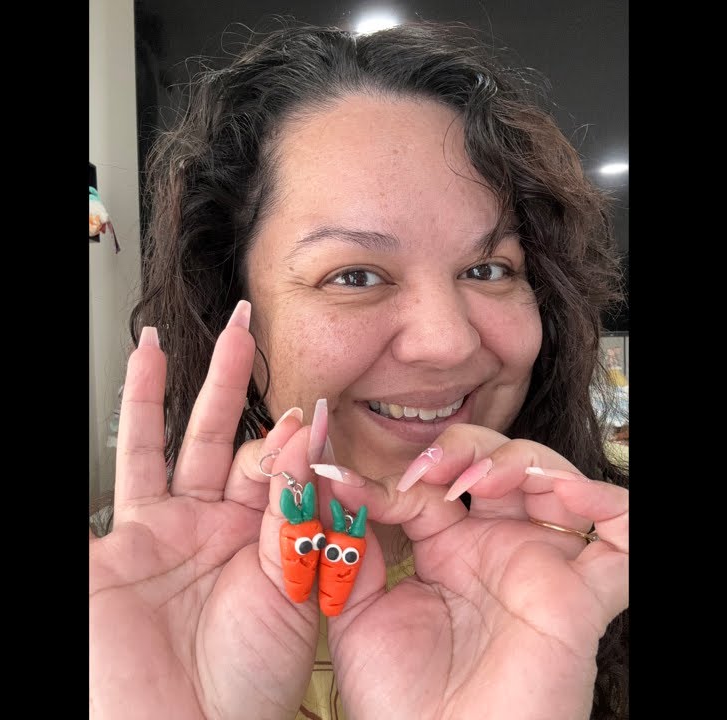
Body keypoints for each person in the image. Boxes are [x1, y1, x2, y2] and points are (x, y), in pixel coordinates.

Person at [89, 20, 629, 720]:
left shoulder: (601, 576)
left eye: (489, 268)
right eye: (354, 275)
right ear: (229, 308)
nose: (446, 342)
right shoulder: (119, 605)